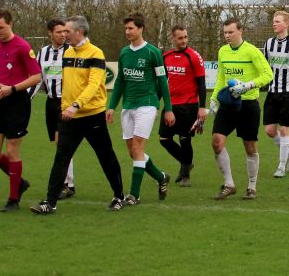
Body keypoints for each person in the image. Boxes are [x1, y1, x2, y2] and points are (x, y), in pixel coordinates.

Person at [30, 15, 126, 214]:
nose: (64, 34)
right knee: (61, 158)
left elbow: (93, 85)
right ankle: (50, 202)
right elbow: (68, 84)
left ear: (79, 32)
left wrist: (76, 104)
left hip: (92, 116)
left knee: (106, 157)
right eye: (63, 31)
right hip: (69, 117)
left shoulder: (96, 54)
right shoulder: (68, 53)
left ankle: (119, 196)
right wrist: (66, 107)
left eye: (68, 31)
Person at [106, 13, 174, 206]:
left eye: (131, 28)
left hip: (147, 103)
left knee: (137, 147)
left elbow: (162, 82)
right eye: (126, 29)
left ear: (141, 28)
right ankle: (160, 177)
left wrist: (167, 109)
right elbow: (120, 81)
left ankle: (133, 195)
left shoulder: (153, 53)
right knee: (133, 152)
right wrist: (112, 106)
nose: (128, 32)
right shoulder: (124, 53)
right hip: (128, 106)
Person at [0, 9, 42, 212]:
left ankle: (13, 199)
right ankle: (19, 182)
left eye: (1, 27)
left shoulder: (23, 46)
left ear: (10, 24)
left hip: (17, 102)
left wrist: (12, 88)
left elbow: (36, 77)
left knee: (11, 151)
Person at [209, 18, 273, 201]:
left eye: (230, 32)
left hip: (248, 105)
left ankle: (252, 186)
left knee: (249, 146)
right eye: (225, 32)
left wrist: (248, 85)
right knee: (216, 142)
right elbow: (221, 77)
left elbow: (268, 74)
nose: (227, 36)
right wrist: (214, 99)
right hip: (229, 103)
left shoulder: (252, 51)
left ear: (240, 31)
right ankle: (229, 184)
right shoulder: (223, 51)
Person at [160, 25, 207, 186]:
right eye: (180, 38)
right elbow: (161, 83)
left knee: (185, 139)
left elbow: (201, 83)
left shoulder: (193, 56)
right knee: (164, 139)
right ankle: (187, 162)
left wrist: (202, 107)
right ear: (173, 38)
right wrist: (155, 104)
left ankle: (185, 176)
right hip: (170, 106)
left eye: (186, 37)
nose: (184, 40)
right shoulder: (166, 57)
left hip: (189, 105)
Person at [33, 18, 75, 198]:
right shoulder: (42, 53)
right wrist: (27, 96)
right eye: (59, 32)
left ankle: (68, 184)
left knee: (62, 143)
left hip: (66, 103)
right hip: (50, 102)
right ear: (50, 33)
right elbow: (37, 78)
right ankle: (65, 182)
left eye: (65, 32)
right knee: (57, 144)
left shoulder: (72, 52)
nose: (63, 35)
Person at [262, 10, 289, 178]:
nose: (274, 24)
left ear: (286, 24)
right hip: (273, 92)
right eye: (273, 21)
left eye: (278, 21)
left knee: (284, 129)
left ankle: (281, 166)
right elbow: (264, 68)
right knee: (270, 130)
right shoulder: (268, 44)